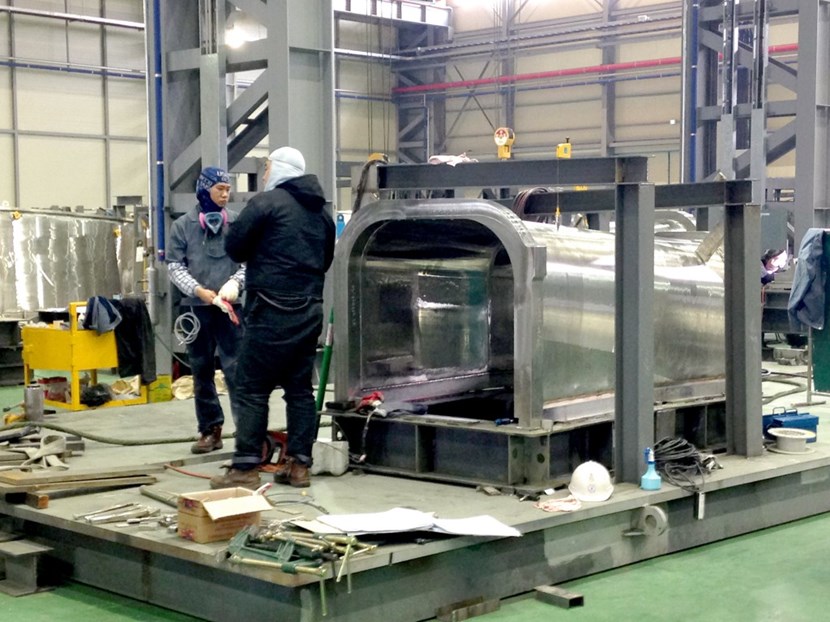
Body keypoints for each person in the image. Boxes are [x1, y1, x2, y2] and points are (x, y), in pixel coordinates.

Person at [210, 147, 335, 490]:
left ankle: (246, 468)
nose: (264, 174)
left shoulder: (265, 204)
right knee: (299, 390)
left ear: (276, 168)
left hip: (269, 309)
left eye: (266, 168)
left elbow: (235, 248)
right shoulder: (322, 213)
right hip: (309, 311)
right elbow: (325, 260)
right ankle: (298, 466)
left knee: (252, 387)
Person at [167, 167, 245, 454]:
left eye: (228, 189)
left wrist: (235, 284)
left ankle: (247, 432)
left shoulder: (237, 224)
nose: (225, 194)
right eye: (219, 189)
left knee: (237, 371)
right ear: (204, 190)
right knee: (201, 372)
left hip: (230, 309)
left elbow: (248, 263)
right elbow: (175, 266)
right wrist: (197, 291)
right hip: (196, 310)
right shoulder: (183, 226)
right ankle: (210, 429)